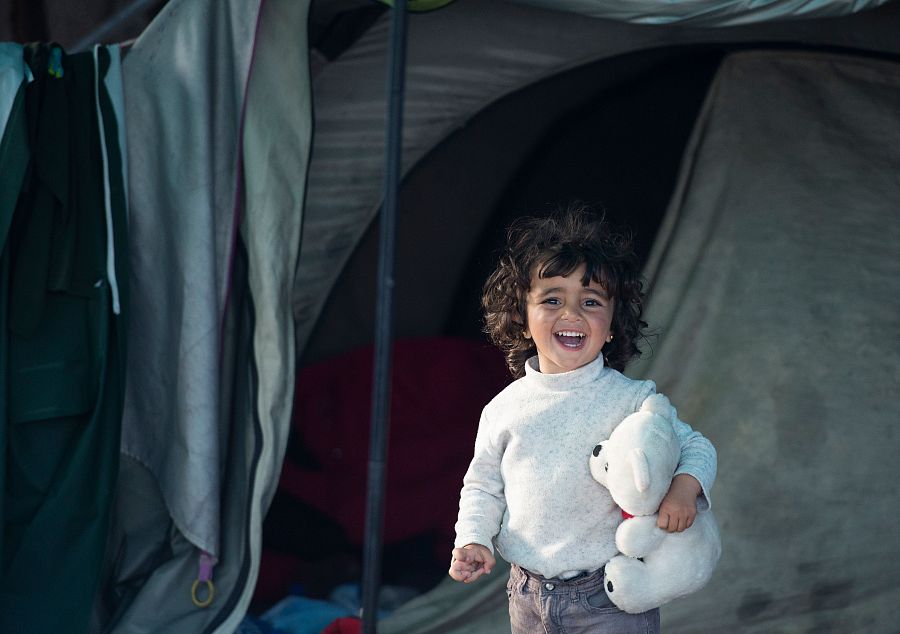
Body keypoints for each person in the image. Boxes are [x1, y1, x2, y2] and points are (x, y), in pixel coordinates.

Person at [449, 204, 717, 633]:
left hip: (607, 596)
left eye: (590, 301)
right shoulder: (503, 409)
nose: (571, 314)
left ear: (611, 325)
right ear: (521, 319)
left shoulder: (631, 399)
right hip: (527, 594)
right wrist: (473, 538)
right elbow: (482, 486)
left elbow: (696, 447)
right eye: (552, 299)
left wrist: (683, 491)